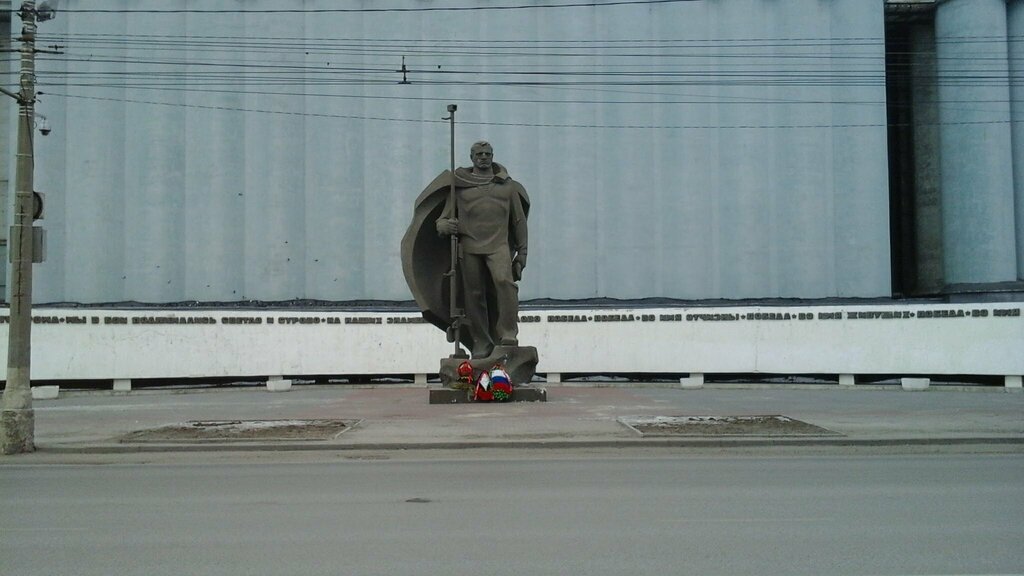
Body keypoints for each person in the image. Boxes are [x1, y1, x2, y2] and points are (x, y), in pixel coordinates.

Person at [435, 141, 529, 358]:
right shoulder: (459, 186)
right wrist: (444, 226)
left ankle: (508, 333)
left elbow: (518, 222)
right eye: (479, 153)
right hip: (469, 246)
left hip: (499, 246)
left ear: (493, 155)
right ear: (472, 157)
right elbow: (443, 219)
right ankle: (481, 342)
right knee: (473, 296)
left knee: (505, 284)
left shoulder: (508, 186)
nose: (484, 157)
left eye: (487, 153)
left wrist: (522, 254)